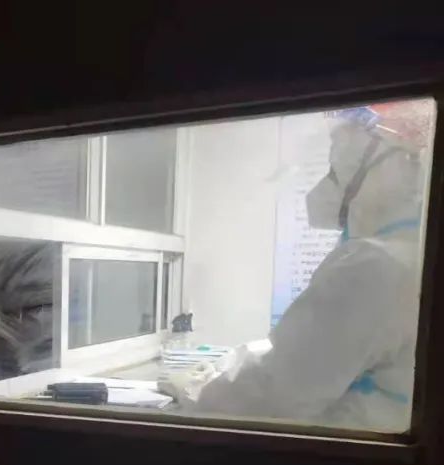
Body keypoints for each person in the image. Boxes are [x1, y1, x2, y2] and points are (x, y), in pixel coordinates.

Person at [178, 101, 433, 433]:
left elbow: (274, 395)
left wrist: (194, 391)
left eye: (335, 166)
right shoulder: (412, 254)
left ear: (391, 163)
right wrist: (230, 362)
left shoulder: (374, 266)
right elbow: (311, 354)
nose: (328, 183)